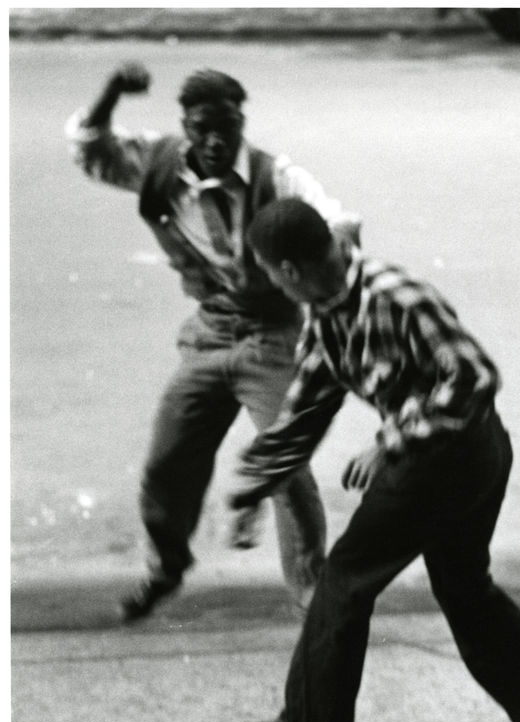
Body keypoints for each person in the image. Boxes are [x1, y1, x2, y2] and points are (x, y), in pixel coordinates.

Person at [229, 198, 520, 722]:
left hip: (449, 458)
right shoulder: (325, 311)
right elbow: (302, 415)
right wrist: (252, 491)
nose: (270, 284)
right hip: (456, 455)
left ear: (287, 270)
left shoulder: (395, 297)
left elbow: (476, 376)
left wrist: (389, 440)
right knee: (465, 588)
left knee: (343, 581)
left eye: (267, 272)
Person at [65, 64, 360, 620]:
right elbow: (90, 147)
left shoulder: (276, 176)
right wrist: (111, 91)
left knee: (286, 467)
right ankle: (166, 569)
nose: (217, 140)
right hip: (209, 334)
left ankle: (312, 595)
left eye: (227, 126)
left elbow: (335, 219)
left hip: (273, 336)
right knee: (166, 465)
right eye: (203, 128)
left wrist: (337, 247)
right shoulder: (159, 165)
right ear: (187, 126)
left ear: (241, 122)